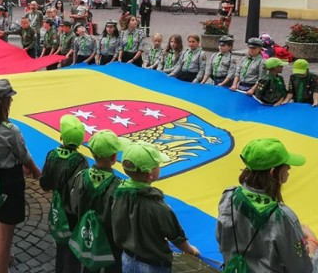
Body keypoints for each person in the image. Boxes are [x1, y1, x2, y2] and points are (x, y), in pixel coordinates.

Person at [216, 138, 314, 272]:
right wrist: (312, 244)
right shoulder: (283, 217)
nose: (289, 168)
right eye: (286, 166)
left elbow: (221, 239)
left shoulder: (229, 196)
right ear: (273, 172)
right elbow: (301, 268)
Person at [0, 79, 41, 273]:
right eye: (9, 100)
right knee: (5, 235)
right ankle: (2, 268)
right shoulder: (10, 130)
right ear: (3, 103)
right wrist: (36, 171)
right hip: (9, 181)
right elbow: (23, 154)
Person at [112, 139, 200, 272]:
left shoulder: (118, 194)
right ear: (150, 174)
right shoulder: (159, 207)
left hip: (127, 258)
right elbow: (175, 235)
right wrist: (190, 250)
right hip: (153, 265)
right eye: (158, 164)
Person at [67, 130, 123, 273]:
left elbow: (74, 206)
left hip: (87, 238)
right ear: (114, 157)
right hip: (110, 246)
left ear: (92, 153)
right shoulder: (118, 186)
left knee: (88, 267)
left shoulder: (80, 177)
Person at [39, 115, 88, 273]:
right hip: (73, 212)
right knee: (73, 249)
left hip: (57, 208)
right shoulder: (80, 161)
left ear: (61, 136)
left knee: (60, 244)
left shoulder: (52, 155)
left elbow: (44, 183)